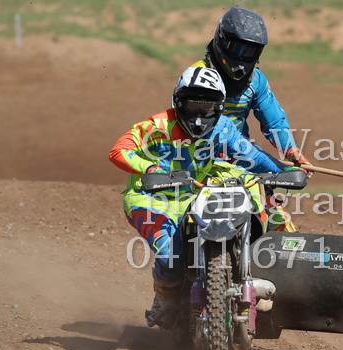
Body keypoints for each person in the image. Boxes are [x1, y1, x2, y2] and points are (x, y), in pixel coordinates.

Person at [109, 66, 293, 328]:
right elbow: (118, 151)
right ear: (178, 102)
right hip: (150, 199)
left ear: (219, 108)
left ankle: (244, 276)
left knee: (237, 212)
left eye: (206, 108)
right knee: (169, 257)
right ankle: (164, 298)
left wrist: (282, 172)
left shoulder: (223, 128)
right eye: (192, 106)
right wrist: (149, 168)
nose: (198, 117)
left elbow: (252, 156)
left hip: (194, 194)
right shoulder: (156, 126)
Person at [185, 7, 311, 231]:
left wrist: (290, 149)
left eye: (251, 51)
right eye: (238, 49)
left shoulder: (256, 81)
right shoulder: (196, 77)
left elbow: (274, 121)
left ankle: (279, 247)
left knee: (275, 215)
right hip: (198, 159)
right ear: (222, 42)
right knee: (181, 214)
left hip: (243, 159)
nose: (243, 58)